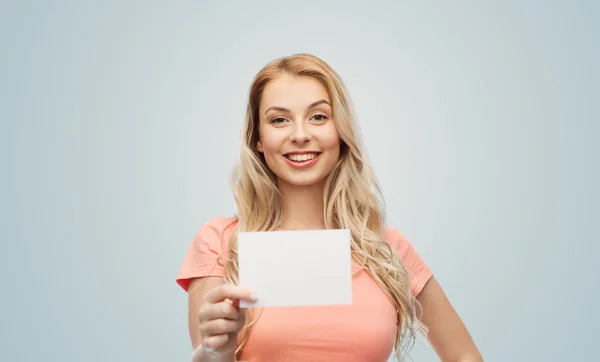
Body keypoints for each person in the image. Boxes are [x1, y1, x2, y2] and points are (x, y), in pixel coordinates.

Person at [176, 53, 483, 362]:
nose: (300, 135)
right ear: (258, 138)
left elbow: (465, 356)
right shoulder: (220, 242)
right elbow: (207, 356)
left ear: (341, 130)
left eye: (318, 117)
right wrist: (217, 350)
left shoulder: (386, 248)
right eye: (279, 120)